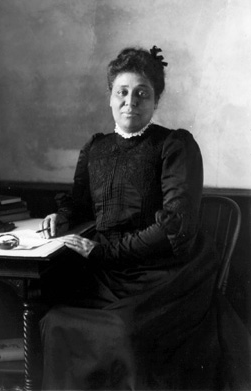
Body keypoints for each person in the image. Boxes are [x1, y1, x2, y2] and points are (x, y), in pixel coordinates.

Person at [38, 46, 250, 390]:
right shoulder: (96, 148)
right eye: (122, 92)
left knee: (124, 331)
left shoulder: (174, 146)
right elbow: (78, 205)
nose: (130, 102)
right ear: (110, 97)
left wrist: (106, 251)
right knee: (55, 320)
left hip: (165, 274)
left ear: (156, 101)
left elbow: (176, 227)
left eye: (142, 93)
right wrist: (60, 218)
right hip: (106, 275)